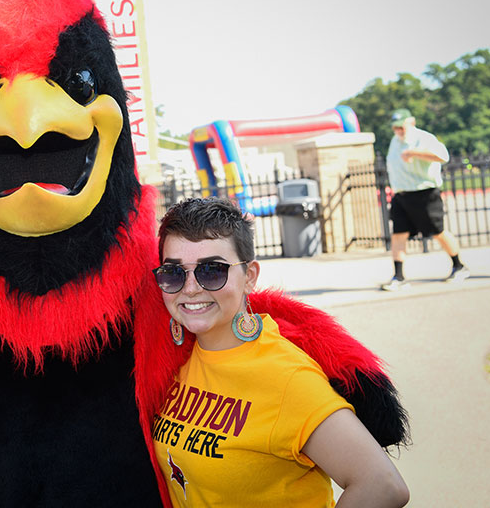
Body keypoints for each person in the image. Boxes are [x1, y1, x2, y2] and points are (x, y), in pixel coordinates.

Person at [152, 197, 409, 507]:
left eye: (211, 270)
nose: (190, 288)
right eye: (173, 273)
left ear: (249, 277)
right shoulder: (174, 362)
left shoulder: (286, 375)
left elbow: (382, 484)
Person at [381, 109, 468, 291]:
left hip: (424, 193)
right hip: (402, 195)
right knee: (398, 234)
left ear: (411, 122)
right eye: (395, 127)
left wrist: (415, 153)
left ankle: (459, 266)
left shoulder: (423, 138)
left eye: (401, 126)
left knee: (438, 232)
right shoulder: (394, 142)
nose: (398, 130)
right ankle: (399, 277)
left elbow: (443, 156)